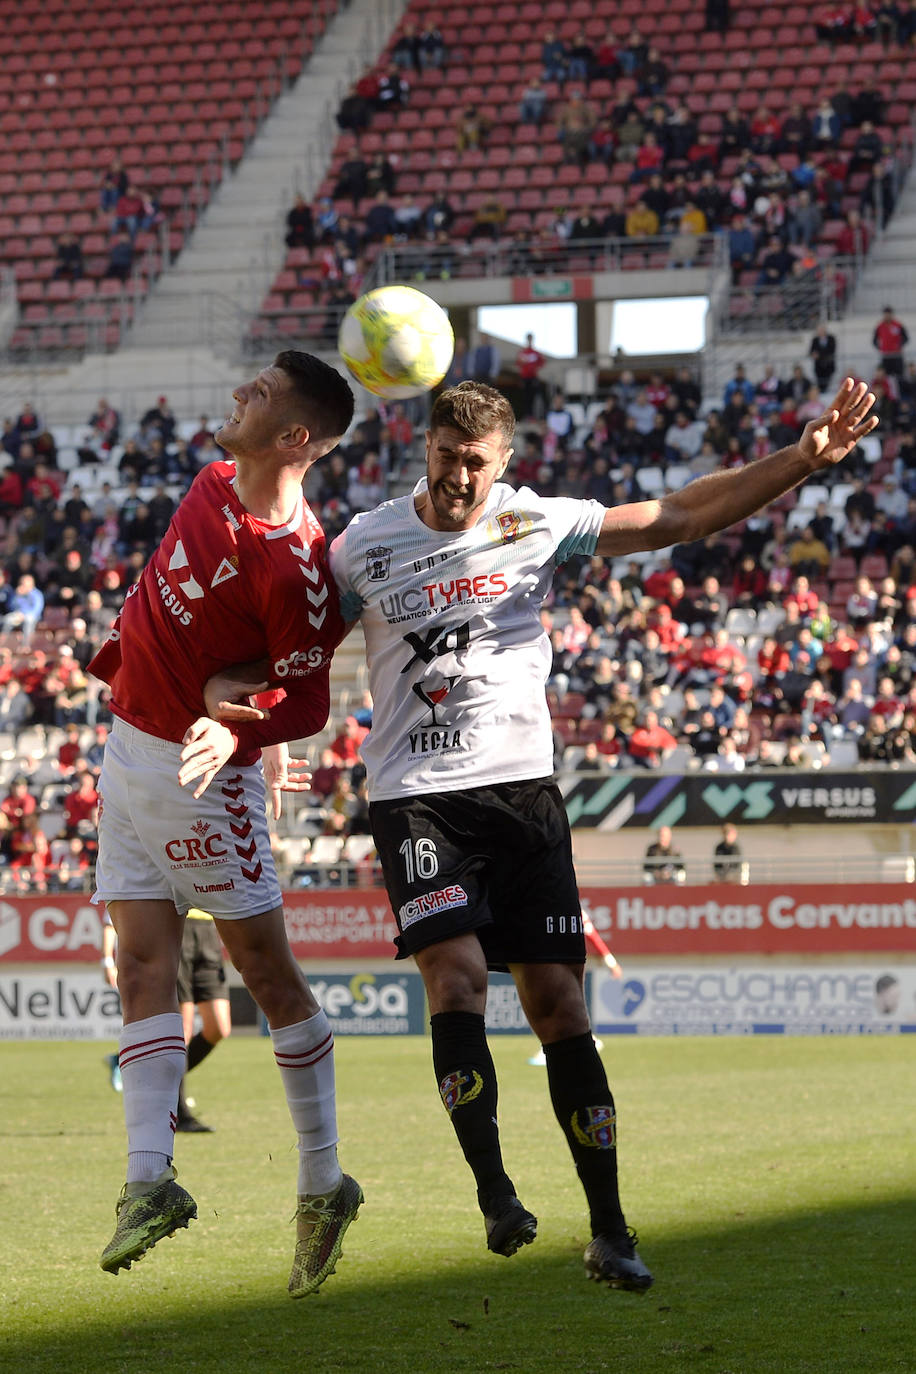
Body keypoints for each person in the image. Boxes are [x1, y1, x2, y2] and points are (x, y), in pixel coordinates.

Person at [205, 374, 877, 1294]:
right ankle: (495, 1195)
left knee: (560, 1003)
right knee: (458, 977)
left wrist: (803, 458)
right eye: (446, 457)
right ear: (426, 450)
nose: (459, 476)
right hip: (417, 798)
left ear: (505, 464)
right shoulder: (361, 545)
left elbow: (678, 515)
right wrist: (221, 691)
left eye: (476, 463)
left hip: (524, 796)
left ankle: (610, 1229)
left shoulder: (537, 523)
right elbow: (290, 646)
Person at [87, 350, 363, 1297]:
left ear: (294, 438)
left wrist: (231, 716)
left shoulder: (296, 564)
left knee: (269, 978)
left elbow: (308, 700)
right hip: (127, 756)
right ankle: (147, 1183)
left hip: (207, 781)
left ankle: (325, 1180)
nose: (239, 394)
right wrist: (136, 658)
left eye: (259, 395)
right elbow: (169, 601)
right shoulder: (210, 483)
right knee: (143, 971)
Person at [873, 305, 909, 378]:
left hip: (897, 355)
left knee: (900, 377)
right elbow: (874, 340)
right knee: (886, 377)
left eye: (889, 314)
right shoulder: (880, 326)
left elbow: (906, 338)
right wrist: (880, 348)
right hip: (886, 356)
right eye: (886, 314)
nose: (887, 316)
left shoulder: (898, 325)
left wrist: (899, 345)